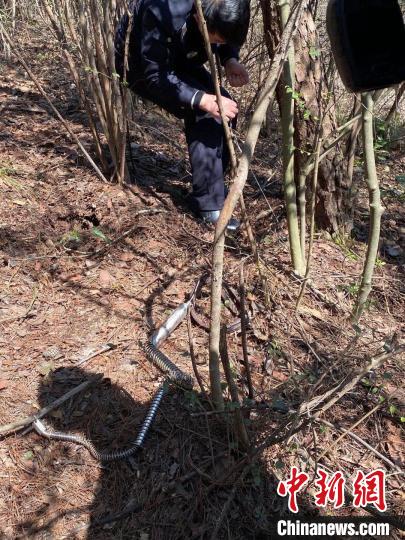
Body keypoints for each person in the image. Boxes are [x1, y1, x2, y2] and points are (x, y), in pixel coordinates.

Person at [115, 0, 251, 230]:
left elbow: (225, 24)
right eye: (217, 40)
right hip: (141, 64)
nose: (219, 44)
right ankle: (209, 205)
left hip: (180, 56)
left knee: (227, 109)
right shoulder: (162, 8)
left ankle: (212, 185)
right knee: (209, 115)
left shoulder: (221, 6)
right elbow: (156, 76)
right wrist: (202, 99)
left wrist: (230, 60)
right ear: (200, 18)